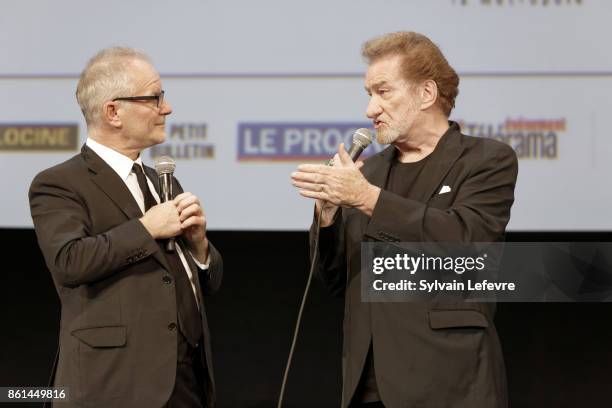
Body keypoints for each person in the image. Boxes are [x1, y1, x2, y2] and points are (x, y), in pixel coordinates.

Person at [291, 32, 518, 408]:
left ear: (426, 94)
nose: (370, 109)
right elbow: (336, 281)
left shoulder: (485, 160)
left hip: (448, 382)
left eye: (383, 92)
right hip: (368, 384)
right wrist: (327, 218)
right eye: (368, 94)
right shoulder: (369, 172)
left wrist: (365, 199)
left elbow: (467, 242)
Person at [29, 47, 222, 408]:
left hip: (184, 381)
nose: (167, 108)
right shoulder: (60, 183)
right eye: (155, 98)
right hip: (114, 383)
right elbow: (70, 261)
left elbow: (205, 282)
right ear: (113, 111)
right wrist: (146, 229)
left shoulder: (161, 181)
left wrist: (200, 248)